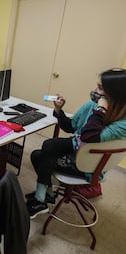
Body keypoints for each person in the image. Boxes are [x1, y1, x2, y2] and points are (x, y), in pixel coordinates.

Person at [26, 68, 126, 219]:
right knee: (45, 148)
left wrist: (100, 110)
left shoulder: (122, 124)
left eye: (99, 88)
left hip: (89, 165)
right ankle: (48, 195)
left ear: (113, 96)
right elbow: (70, 127)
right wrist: (59, 110)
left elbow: (89, 137)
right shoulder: (90, 105)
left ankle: (41, 199)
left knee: (41, 157)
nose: (94, 90)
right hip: (77, 147)